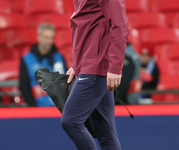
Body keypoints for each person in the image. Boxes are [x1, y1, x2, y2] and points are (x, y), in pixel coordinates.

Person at [61, 0, 130, 150]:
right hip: (91, 64)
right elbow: (88, 25)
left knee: (71, 121)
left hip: (96, 65)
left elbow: (120, 25)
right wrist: (77, 65)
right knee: (106, 134)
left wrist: (115, 67)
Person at [19, 24, 67, 107]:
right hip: (38, 109)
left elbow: (67, 80)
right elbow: (24, 87)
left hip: (60, 108)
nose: (49, 41)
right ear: (39, 37)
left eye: (51, 38)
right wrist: (34, 108)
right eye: (46, 37)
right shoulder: (27, 59)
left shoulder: (59, 57)